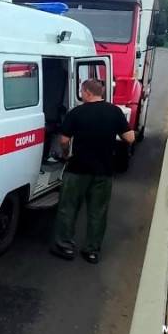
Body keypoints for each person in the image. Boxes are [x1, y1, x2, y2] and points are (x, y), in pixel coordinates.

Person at [50, 79, 135, 264]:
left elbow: (64, 140)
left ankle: (64, 246)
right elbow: (129, 137)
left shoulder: (77, 112)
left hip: (78, 169)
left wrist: (65, 155)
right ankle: (91, 251)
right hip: (103, 172)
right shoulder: (114, 111)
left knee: (69, 208)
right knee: (98, 212)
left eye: (82, 91)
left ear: (87, 92)